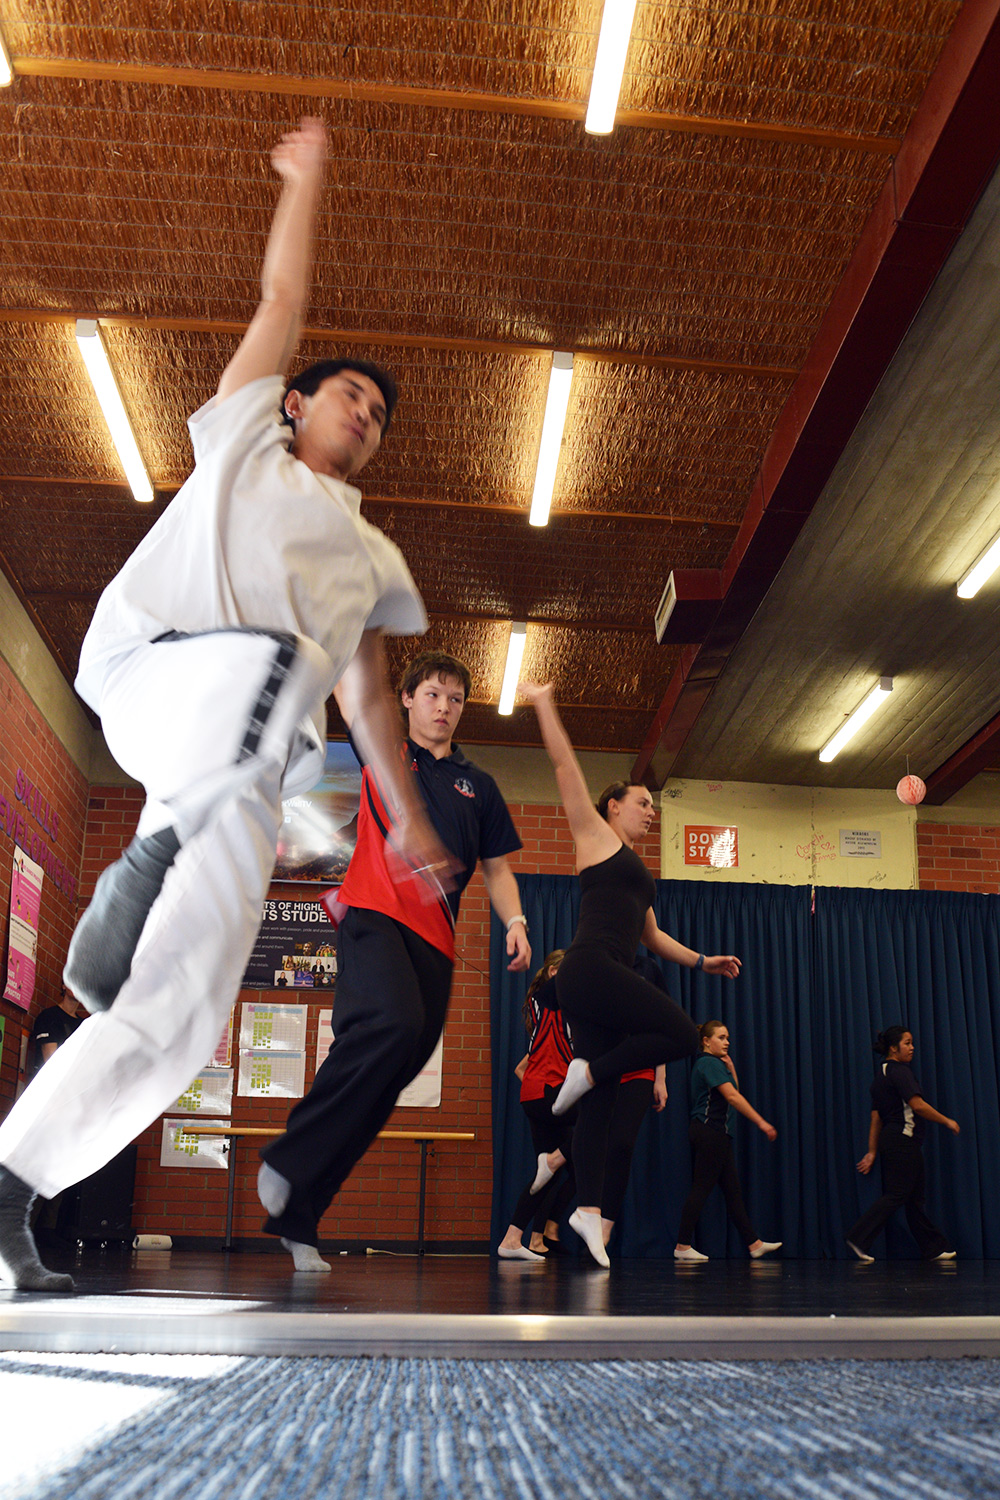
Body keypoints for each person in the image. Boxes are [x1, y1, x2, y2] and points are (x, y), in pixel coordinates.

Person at [0, 118, 452, 1293]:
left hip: (239, 773)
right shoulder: (247, 440)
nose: (366, 413)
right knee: (268, 672)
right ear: (294, 404)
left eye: (381, 412)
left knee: (184, 1013)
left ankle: (14, 1186)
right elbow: (282, 298)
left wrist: (407, 818)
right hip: (158, 672)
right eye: (349, 394)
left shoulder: (371, 558)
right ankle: (141, 861)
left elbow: (370, 699)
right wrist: (303, 181)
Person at [259, 650, 531, 1269]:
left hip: (436, 939)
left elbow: (498, 869)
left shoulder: (479, 786)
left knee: (394, 1070)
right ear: (408, 699)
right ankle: (287, 1159)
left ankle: (300, 1217)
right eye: (432, 694)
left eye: (455, 699)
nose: (444, 707)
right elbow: (357, 697)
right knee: (392, 1024)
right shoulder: (388, 754)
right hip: (374, 912)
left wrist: (515, 921)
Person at [518, 682, 740, 1268]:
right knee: (682, 1035)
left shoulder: (637, 870)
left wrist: (703, 961)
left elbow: (653, 938)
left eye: (652, 806)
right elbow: (564, 766)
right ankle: (588, 1069)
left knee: (597, 1103)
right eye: (642, 802)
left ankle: (588, 1211)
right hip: (589, 969)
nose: (650, 810)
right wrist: (543, 702)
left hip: (598, 980)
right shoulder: (595, 837)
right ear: (612, 806)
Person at [845, 1026, 958, 1263]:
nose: (912, 1048)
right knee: (898, 1194)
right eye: (907, 1043)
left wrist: (872, 1151)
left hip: (898, 1141)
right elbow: (917, 1105)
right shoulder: (899, 1072)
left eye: (912, 1043)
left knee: (914, 1199)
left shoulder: (882, 1074)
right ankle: (858, 1238)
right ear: (893, 1048)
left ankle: (933, 1248)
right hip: (902, 1141)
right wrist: (947, 1121)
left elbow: (876, 1118)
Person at [674, 1020, 781, 1261]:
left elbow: (733, 1092)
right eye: (721, 1038)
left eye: (727, 1038)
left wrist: (731, 1068)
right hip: (710, 1131)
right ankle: (682, 1245)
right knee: (701, 1188)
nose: (727, 1042)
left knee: (732, 1192)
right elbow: (732, 1097)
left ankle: (754, 1244)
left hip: (715, 1133)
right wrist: (762, 1123)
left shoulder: (715, 1064)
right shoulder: (709, 1063)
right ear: (706, 1041)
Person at [497, 950, 577, 1261]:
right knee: (599, 1121)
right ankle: (554, 1160)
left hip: (536, 1093)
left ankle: (513, 1238)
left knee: (547, 1175)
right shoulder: (548, 1002)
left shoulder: (551, 1013)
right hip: (547, 1093)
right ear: (555, 973)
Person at [597, 954, 669, 1253]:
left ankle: (604, 1229)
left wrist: (660, 1077)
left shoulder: (648, 968)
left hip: (639, 1068)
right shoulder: (598, 963)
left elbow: (661, 1024)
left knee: (622, 1144)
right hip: (604, 1066)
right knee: (594, 1145)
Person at [27, 986, 86, 1080]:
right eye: (75, 980)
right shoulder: (49, 1016)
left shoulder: (84, 1025)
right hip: (51, 1083)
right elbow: (51, 1061)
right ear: (64, 985)